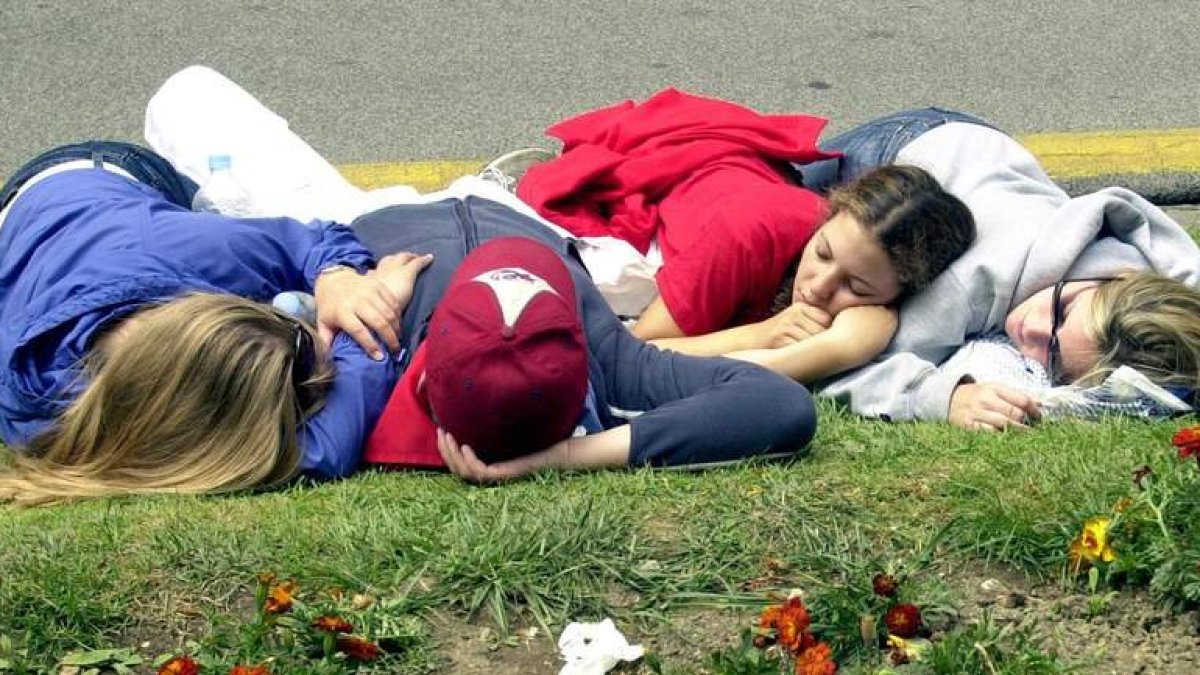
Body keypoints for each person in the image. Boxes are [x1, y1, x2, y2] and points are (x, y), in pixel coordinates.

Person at [0, 142, 432, 506]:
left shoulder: (200, 251)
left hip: (105, 177)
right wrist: (373, 329)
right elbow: (320, 452)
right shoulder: (36, 406)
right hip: (68, 218)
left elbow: (316, 239)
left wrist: (339, 279)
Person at [350, 197, 820, 481]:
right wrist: (572, 455)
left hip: (383, 228)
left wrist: (332, 277)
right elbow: (781, 406)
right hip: (515, 220)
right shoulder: (613, 360)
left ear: (424, 382)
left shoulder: (369, 340)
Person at [800, 108, 1200, 429]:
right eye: (1061, 312)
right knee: (766, 198)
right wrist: (946, 397)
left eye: (1054, 357)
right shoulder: (976, 281)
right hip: (902, 144)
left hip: (986, 148)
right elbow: (844, 367)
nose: (1033, 330)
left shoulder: (1151, 280)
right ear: (1115, 280)